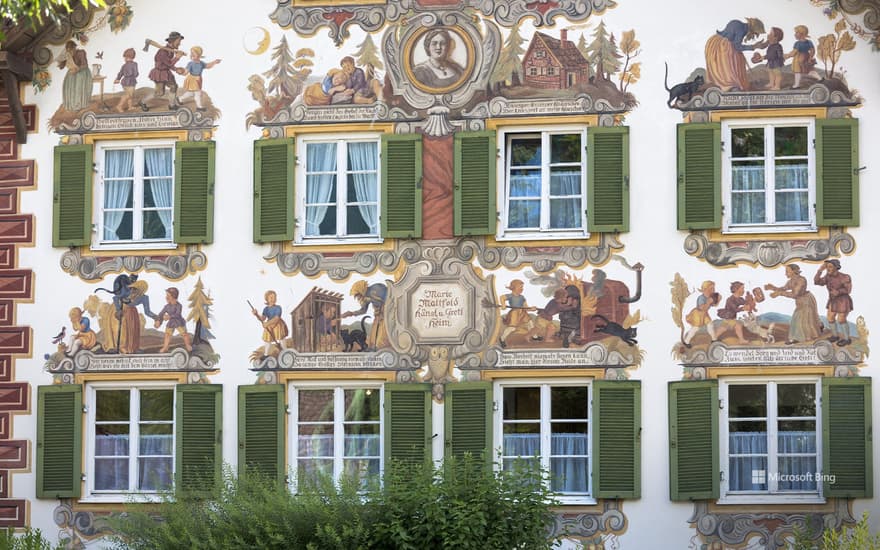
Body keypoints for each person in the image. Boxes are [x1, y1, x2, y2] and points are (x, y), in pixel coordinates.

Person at [765, 264, 823, 344]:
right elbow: (784, 288)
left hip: (806, 301)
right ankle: (819, 326)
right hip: (800, 301)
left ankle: (796, 338)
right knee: (806, 318)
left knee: (798, 318)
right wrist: (773, 288)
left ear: (794, 271)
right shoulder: (791, 281)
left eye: (787, 271)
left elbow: (795, 294)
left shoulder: (801, 280)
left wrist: (779, 293)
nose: (785, 274)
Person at [704, 18, 767, 92]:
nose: (755, 35)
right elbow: (737, 47)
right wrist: (754, 46)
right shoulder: (741, 30)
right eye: (756, 33)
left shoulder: (740, 25)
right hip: (722, 47)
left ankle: (730, 84)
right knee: (732, 62)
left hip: (715, 42)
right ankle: (730, 85)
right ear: (752, 29)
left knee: (738, 58)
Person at [814, 260, 853, 346]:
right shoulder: (828, 276)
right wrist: (820, 270)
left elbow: (848, 290)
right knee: (830, 318)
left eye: (830, 267)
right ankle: (835, 336)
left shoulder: (845, 277)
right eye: (827, 267)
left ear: (836, 267)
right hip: (833, 301)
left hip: (843, 301)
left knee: (841, 320)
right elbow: (817, 282)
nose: (828, 268)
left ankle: (847, 339)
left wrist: (838, 292)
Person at [342, 281, 387, 349]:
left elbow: (384, 300)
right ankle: (373, 347)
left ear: (361, 291)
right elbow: (363, 310)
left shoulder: (374, 289)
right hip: (378, 314)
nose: (358, 298)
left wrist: (381, 311)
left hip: (386, 312)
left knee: (382, 333)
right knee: (374, 332)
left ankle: (379, 347)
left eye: (357, 295)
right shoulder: (365, 298)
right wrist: (351, 313)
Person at [176, 46, 221, 112]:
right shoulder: (190, 63)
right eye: (191, 53)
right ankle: (199, 107)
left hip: (198, 80)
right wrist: (181, 72)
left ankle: (179, 99)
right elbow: (185, 72)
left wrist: (214, 62)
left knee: (191, 93)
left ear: (199, 55)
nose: (192, 55)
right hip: (192, 79)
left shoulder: (201, 63)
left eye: (194, 53)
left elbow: (207, 66)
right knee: (197, 93)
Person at [148, 31, 185, 109]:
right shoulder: (163, 52)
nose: (179, 43)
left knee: (174, 86)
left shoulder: (170, 51)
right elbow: (169, 64)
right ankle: (142, 102)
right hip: (159, 74)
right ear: (172, 41)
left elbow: (168, 65)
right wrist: (177, 57)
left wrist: (176, 69)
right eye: (178, 41)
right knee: (159, 93)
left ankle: (171, 105)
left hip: (166, 72)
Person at [154, 287, 192, 353]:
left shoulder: (179, 305)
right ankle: (165, 347)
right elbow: (161, 314)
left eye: (168, 296)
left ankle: (188, 345)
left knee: (184, 334)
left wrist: (169, 317)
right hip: (171, 323)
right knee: (167, 335)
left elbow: (177, 314)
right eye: (166, 295)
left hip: (179, 322)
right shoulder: (166, 306)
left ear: (174, 296)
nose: (166, 297)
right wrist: (158, 321)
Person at [58, 40, 93, 112]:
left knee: (78, 80)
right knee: (68, 79)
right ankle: (70, 104)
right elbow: (61, 67)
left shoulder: (81, 53)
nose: (70, 52)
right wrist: (61, 61)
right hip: (74, 70)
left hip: (83, 72)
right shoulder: (68, 55)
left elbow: (85, 65)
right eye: (68, 51)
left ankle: (78, 104)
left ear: (74, 48)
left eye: (71, 50)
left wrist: (77, 70)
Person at [251, 290, 289, 356]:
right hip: (269, 326)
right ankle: (266, 354)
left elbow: (276, 319)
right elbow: (262, 318)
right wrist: (256, 314)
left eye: (274, 297)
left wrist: (267, 324)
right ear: (267, 299)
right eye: (271, 297)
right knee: (267, 340)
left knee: (281, 338)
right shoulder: (266, 309)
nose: (273, 299)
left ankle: (285, 352)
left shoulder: (278, 308)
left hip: (278, 325)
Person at [498, 279, 534, 348]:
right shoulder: (511, 296)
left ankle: (534, 336)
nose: (522, 289)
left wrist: (531, 309)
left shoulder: (522, 297)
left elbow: (526, 307)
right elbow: (502, 297)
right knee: (512, 328)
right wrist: (503, 305)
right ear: (513, 288)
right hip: (514, 313)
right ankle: (502, 339)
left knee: (530, 322)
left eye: (522, 287)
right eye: (520, 287)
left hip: (522, 312)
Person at [683, 281, 720, 346]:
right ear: (705, 289)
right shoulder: (701, 298)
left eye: (713, 288)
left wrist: (717, 300)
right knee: (695, 328)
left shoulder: (710, 297)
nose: (713, 290)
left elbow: (714, 305)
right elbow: (702, 308)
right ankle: (686, 341)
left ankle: (714, 339)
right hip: (697, 314)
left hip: (704, 314)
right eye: (711, 288)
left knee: (710, 324)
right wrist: (708, 302)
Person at [114, 48, 139, 112]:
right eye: (125, 57)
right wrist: (135, 74)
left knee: (129, 95)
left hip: (124, 82)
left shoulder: (124, 65)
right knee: (129, 95)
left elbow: (120, 73)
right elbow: (136, 74)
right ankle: (119, 106)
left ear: (129, 57)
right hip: (131, 82)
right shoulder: (134, 64)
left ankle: (130, 107)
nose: (125, 59)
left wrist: (117, 79)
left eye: (125, 57)